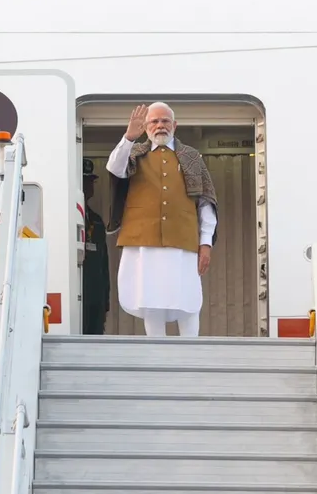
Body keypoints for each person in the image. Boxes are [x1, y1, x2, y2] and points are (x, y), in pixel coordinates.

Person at [105, 102, 218, 337]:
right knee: (151, 300)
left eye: (165, 121)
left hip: (183, 240)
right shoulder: (134, 153)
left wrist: (206, 243)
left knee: (187, 300)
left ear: (175, 125)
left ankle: (190, 353)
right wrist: (129, 137)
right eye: (154, 121)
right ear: (146, 127)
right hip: (143, 240)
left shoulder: (191, 156)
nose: (160, 126)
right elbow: (115, 168)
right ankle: (156, 352)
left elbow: (206, 202)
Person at [80, 159, 111, 335]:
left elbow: (104, 263)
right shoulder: (68, 217)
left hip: (96, 294)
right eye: (85, 181)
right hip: (78, 294)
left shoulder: (96, 220)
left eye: (91, 181)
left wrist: (105, 302)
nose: (89, 186)